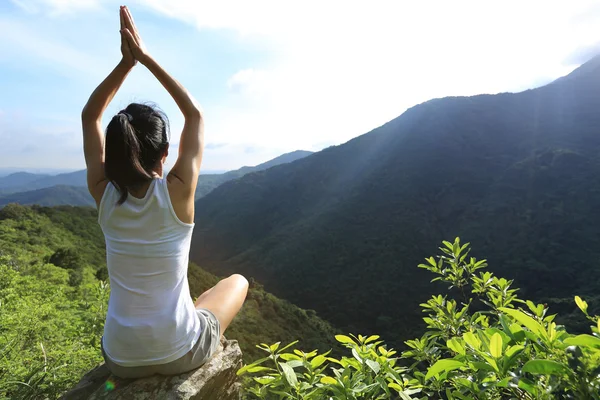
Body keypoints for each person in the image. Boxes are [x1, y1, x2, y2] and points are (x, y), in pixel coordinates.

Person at [81, 5, 248, 379]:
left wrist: (125, 66)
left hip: (120, 359)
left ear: (116, 154)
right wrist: (145, 57)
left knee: (195, 301)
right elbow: (196, 116)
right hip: (180, 353)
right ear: (165, 153)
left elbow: (91, 116)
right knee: (236, 282)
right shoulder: (177, 193)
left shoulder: (101, 193)